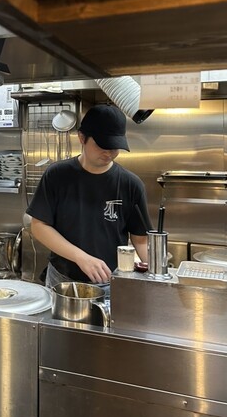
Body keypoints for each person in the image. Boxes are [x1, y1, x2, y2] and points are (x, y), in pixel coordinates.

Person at [26, 103, 151, 289]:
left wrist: (157, 273)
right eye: (102, 145)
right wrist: (81, 257)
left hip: (110, 283)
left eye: (115, 147)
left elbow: (140, 239)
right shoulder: (57, 175)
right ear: (82, 137)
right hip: (61, 280)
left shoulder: (131, 184)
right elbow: (39, 226)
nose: (109, 153)